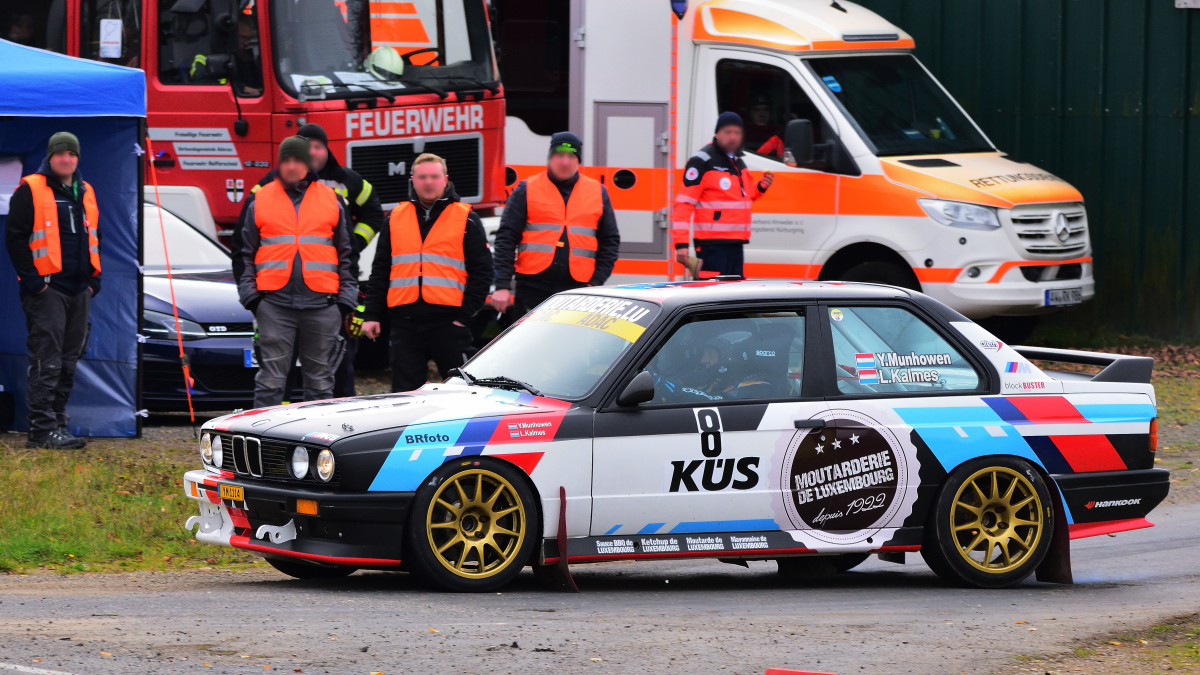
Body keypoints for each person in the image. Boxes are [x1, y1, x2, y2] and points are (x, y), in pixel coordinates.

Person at [237, 123, 383, 397]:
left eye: (299, 159)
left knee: (320, 384)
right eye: (287, 160)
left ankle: (316, 439)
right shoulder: (261, 196)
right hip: (274, 305)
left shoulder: (334, 197)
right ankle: (265, 437)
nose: (293, 165)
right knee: (271, 382)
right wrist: (253, 298)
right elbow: (242, 252)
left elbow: (347, 254)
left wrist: (344, 301)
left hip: (323, 307)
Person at [360, 154, 492, 392]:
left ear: (445, 179)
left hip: (449, 325)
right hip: (405, 325)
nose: (428, 182)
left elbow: (482, 272)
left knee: (463, 394)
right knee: (405, 396)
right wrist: (371, 315)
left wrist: (463, 318)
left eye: (434, 176)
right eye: (422, 177)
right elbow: (380, 270)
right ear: (413, 180)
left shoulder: (466, 218)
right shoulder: (394, 219)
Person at [4, 132, 100, 449]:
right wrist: (33, 282)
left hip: (79, 290)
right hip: (48, 290)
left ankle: (58, 424)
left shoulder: (86, 191)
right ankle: (41, 431)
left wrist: (93, 280)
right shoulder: (31, 188)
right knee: (48, 360)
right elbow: (15, 238)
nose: (66, 159)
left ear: (77, 158)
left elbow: (96, 238)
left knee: (69, 360)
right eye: (60, 154)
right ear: (50, 157)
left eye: (71, 154)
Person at [489, 131, 620, 317]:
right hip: (532, 287)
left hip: (578, 289)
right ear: (550, 157)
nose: (564, 162)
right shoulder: (527, 188)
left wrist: (596, 281)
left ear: (578, 161)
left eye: (571, 156)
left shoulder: (598, 192)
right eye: (559, 155)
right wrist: (502, 284)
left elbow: (610, 241)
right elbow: (506, 238)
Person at [672, 112, 775, 279]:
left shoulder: (737, 161)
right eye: (728, 132)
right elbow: (683, 204)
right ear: (717, 133)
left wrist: (761, 187)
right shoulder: (702, 161)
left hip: (735, 244)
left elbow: (744, 197)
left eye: (737, 132)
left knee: (732, 299)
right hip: (712, 247)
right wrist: (681, 244)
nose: (733, 137)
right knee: (711, 297)